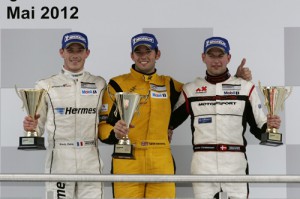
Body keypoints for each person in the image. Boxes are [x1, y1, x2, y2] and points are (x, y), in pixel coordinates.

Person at [98, 33, 251, 199]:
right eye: (138, 52)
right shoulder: (116, 84)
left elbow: (205, 91)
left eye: (148, 51)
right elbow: (103, 127)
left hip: (161, 160)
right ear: (132, 55)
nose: (143, 56)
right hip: (127, 160)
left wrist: (234, 81)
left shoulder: (170, 84)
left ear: (157, 54)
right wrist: (115, 133)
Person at [169, 36, 281, 199]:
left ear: (228, 58)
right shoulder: (190, 89)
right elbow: (169, 121)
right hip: (203, 164)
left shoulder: (245, 87)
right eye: (211, 55)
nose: (216, 61)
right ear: (203, 57)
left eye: (220, 55)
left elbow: (259, 127)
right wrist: (165, 130)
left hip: (235, 162)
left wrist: (270, 127)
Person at [23, 32, 106, 199]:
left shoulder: (99, 83)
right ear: (62, 52)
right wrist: (31, 128)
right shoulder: (46, 85)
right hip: (60, 157)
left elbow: (106, 119)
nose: (75, 55)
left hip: (90, 156)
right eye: (70, 50)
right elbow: (37, 129)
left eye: (79, 50)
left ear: (87, 53)